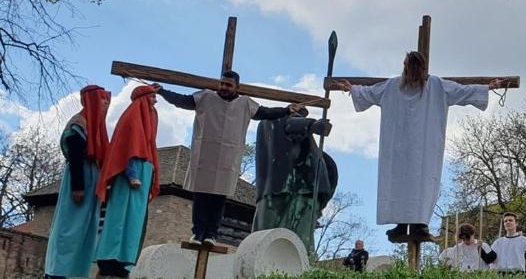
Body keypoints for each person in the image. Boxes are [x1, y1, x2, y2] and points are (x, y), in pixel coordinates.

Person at [337, 51, 503, 241]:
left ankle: (419, 226)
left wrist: (487, 88)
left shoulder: (436, 86)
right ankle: (402, 226)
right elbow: (369, 93)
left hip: (425, 148)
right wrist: (352, 89)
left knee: (421, 183)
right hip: (399, 148)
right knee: (400, 183)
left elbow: (462, 91)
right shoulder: (393, 86)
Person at [155, 70, 305, 245]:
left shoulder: (245, 104)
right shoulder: (206, 97)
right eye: (222, 83)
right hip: (205, 155)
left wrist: (286, 110)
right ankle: (197, 233)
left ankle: (211, 234)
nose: (224, 87)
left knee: (219, 197)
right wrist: (162, 91)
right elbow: (182, 100)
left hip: (227, 157)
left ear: (236, 87)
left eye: (228, 85)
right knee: (201, 195)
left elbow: (265, 113)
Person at [44, 85, 111, 279]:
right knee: (70, 228)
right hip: (82, 176)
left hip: (92, 178)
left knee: (86, 229)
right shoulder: (79, 123)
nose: (105, 103)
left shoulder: (96, 127)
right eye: (102, 99)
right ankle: (58, 272)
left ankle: (76, 273)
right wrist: (78, 186)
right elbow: (74, 154)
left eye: (107, 100)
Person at [94, 85, 160, 277]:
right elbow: (127, 147)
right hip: (130, 178)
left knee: (134, 222)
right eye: (152, 97)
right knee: (120, 218)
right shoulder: (132, 116)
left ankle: (124, 262)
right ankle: (110, 260)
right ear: (143, 98)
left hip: (143, 175)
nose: (155, 101)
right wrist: (132, 174)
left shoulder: (150, 118)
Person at [252, 113, 337, 250]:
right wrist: (312, 125)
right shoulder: (271, 123)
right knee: (264, 240)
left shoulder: (312, 151)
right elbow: (289, 124)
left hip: (307, 192)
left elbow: (330, 173)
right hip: (279, 192)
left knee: (301, 243)